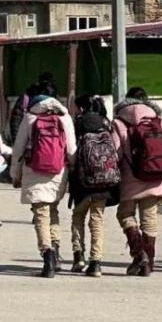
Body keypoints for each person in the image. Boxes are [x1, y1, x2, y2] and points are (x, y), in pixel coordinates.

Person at [11, 81, 76, 279]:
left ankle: (46, 255)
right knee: (53, 209)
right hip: (58, 169)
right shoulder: (65, 118)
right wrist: (72, 169)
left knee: (40, 213)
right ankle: (55, 251)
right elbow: (71, 149)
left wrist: (15, 174)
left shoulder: (30, 117)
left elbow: (18, 148)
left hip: (34, 169)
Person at [112, 86, 162, 277]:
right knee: (149, 220)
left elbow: (115, 152)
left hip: (130, 178)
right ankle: (149, 263)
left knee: (125, 215)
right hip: (155, 178)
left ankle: (138, 253)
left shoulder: (119, 122)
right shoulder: (158, 120)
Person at [69, 95, 119, 278]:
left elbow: (72, 151)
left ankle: (78, 255)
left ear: (81, 108)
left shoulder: (78, 124)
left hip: (82, 181)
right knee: (97, 220)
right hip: (103, 182)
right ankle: (96, 262)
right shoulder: (106, 123)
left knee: (78, 216)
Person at [8, 71, 55, 144]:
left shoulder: (52, 97)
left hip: (44, 143)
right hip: (27, 141)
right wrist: (17, 141)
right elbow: (16, 119)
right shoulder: (27, 98)